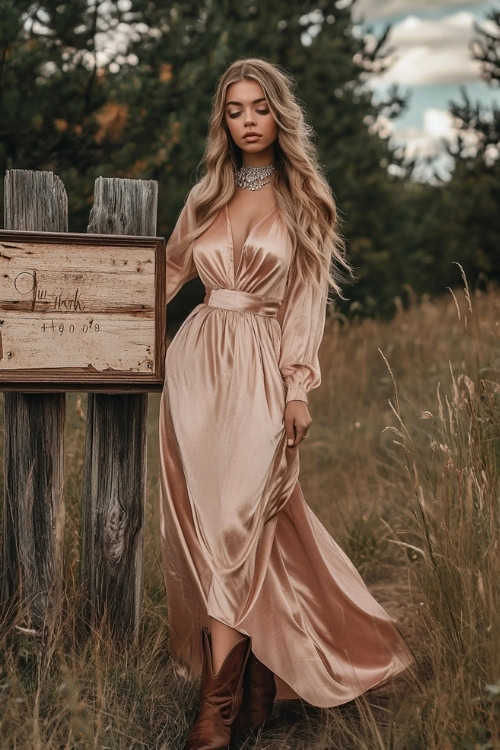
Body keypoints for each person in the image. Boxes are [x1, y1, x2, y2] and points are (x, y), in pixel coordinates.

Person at [158, 57, 416, 750]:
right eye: (235, 110)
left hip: (260, 374)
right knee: (212, 531)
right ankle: (255, 682)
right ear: (225, 120)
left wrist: (298, 386)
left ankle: (216, 706)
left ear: (279, 115)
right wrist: (113, 324)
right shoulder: (206, 194)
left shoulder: (304, 200)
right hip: (195, 368)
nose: (248, 121)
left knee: (243, 521)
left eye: (260, 108)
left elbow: (303, 303)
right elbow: (170, 272)